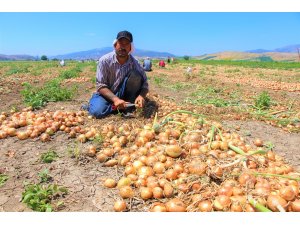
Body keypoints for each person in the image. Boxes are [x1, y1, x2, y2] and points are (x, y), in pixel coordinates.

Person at [85, 30, 149, 118]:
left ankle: (125, 106)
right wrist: (116, 99)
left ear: (131, 47)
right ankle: (119, 107)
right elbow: (100, 85)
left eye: (126, 44)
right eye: (120, 43)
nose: (123, 46)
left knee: (135, 75)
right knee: (97, 111)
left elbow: (145, 84)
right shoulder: (105, 61)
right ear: (115, 45)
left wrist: (141, 96)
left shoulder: (135, 63)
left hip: (124, 95)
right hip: (106, 95)